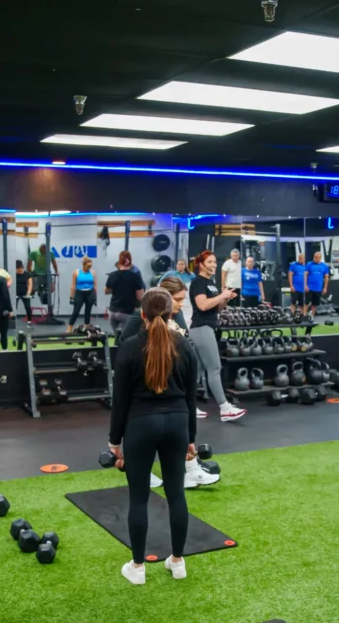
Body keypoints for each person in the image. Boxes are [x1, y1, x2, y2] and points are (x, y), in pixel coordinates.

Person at [109, 288, 199, 585]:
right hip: (176, 424)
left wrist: (114, 441)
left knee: (138, 499)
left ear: (142, 315)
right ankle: (178, 561)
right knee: (177, 494)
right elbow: (190, 398)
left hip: (140, 426)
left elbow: (119, 401)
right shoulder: (185, 346)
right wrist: (190, 437)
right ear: (172, 314)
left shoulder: (129, 347)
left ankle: (137, 568)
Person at [118, 277, 218, 487]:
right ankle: (142, 471)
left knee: (177, 427)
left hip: (170, 381)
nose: (181, 304)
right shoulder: (140, 316)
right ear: (163, 298)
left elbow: (183, 340)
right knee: (137, 424)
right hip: (144, 382)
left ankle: (190, 469)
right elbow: (124, 344)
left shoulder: (177, 315)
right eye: (177, 299)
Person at [188, 251, 247, 422]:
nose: (214, 265)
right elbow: (203, 305)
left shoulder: (211, 283)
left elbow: (216, 309)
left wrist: (225, 298)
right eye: (210, 262)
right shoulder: (198, 283)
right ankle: (224, 408)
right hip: (201, 328)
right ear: (201, 264)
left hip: (208, 326)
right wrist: (222, 295)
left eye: (215, 261)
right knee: (214, 368)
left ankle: (188, 407)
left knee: (197, 371)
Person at [106, 251, 145, 333]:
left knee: (117, 338)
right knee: (125, 339)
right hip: (127, 312)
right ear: (130, 262)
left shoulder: (112, 275)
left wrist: (117, 287)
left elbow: (107, 291)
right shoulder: (135, 276)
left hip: (113, 312)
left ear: (119, 262)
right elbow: (140, 297)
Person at [68, 255, 97, 332]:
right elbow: (73, 285)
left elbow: (95, 286)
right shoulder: (77, 272)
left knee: (88, 311)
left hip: (90, 293)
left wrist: (95, 297)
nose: (89, 268)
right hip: (79, 293)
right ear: (84, 265)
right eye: (88, 266)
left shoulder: (93, 272)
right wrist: (71, 297)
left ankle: (86, 327)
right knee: (76, 311)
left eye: (90, 266)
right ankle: (69, 329)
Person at [305, 251, 330, 318]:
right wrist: (305, 285)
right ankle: (303, 315)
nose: (315, 259)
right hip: (309, 287)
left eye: (316, 258)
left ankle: (312, 317)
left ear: (320, 258)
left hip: (318, 288)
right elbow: (305, 275)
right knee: (306, 303)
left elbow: (326, 277)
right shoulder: (309, 264)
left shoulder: (324, 266)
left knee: (314, 304)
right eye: (314, 257)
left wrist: (325, 287)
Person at [15, 260, 34, 326]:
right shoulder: (13, 274)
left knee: (28, 307)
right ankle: (12, 321)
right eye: (17, 270)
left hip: (25, 293)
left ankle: (29, 321)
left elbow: (30, 284)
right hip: (15, 293)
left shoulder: (27, 274)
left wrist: (28, 293)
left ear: (22, 267)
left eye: (20, 270)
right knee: (13, 307)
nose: (19, 271)